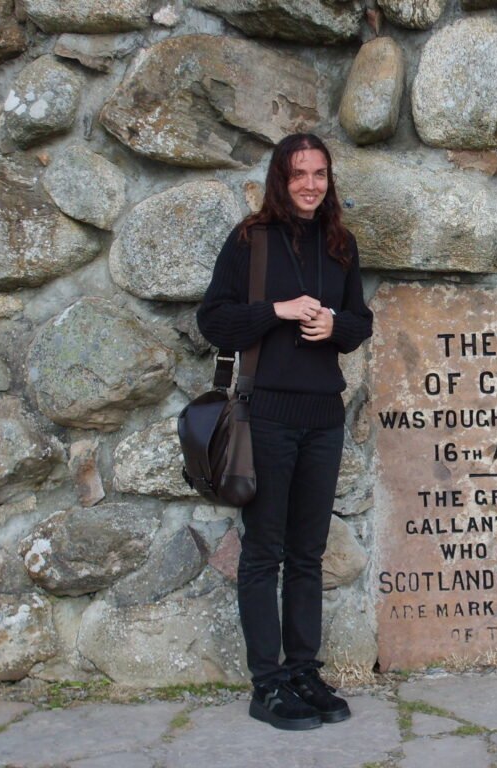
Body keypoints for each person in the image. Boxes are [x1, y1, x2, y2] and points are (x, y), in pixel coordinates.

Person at [197, 133, 373, 731]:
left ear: (329, 179)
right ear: (280, 178)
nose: (310, 185)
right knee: (263, 551)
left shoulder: (340, 242)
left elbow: (361, 322)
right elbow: (214, 319)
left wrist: (334, 325)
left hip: (323, 417)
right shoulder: (251, 239)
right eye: (299, 174)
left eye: (319, 174)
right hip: (266, 416)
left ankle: (303, 672)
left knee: (307, 553)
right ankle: (267, 684)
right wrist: (278, 310)